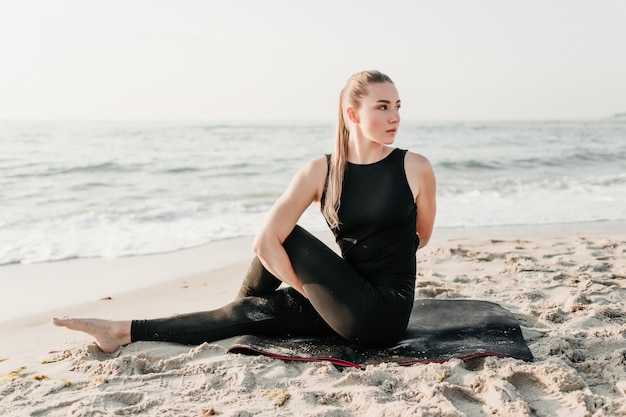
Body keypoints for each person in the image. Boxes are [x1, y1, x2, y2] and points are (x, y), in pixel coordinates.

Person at [53, 70, 437, 353]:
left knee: (289, 237)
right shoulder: (320, 171)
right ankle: (124, 330)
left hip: (384, 314)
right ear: (353, 115)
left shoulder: (415, 166)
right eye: (382, 107)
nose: (395, 117)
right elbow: (263, 245)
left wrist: (306, 289)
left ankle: (240, 305)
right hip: (344, 303)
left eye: (397, 107)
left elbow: (422, 236)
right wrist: (319, 291)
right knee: (252, 303)